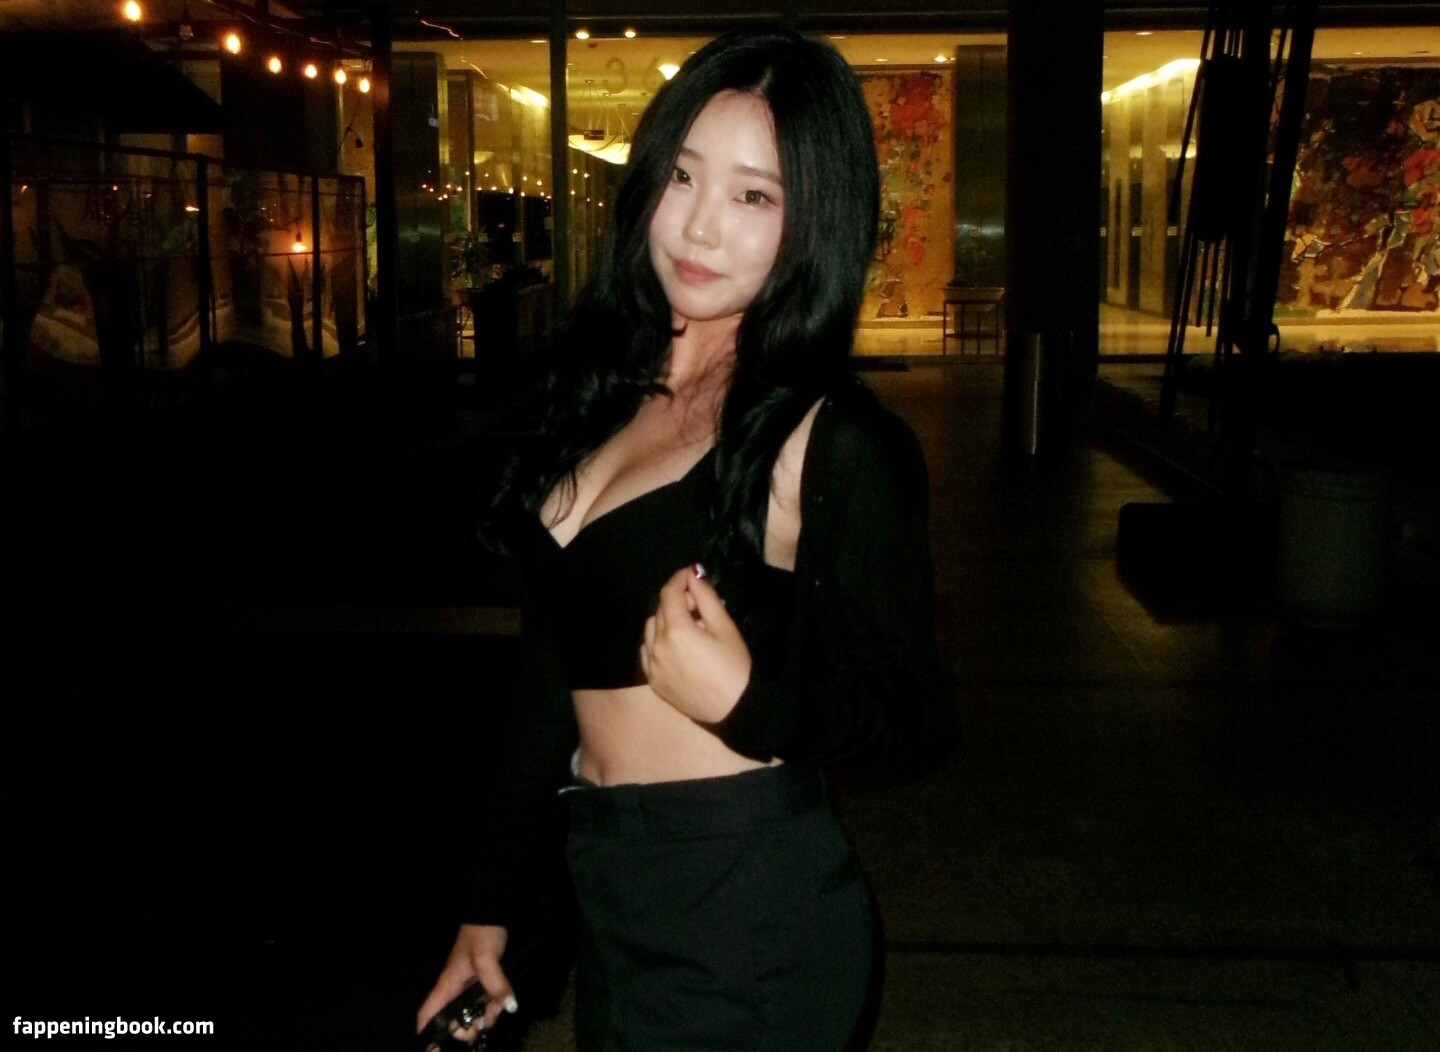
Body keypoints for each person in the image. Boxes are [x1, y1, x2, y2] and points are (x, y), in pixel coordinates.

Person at [418, 30, 947, 1050]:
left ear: (814, 219)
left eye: (754, 195)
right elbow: (548, 682)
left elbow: (913, 712)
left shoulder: (829, 438)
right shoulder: (607, 392)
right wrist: (487, 912)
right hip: (612, 890)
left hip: (745, 901)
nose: (701, 225)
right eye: (682, 176)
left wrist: (750, 701)